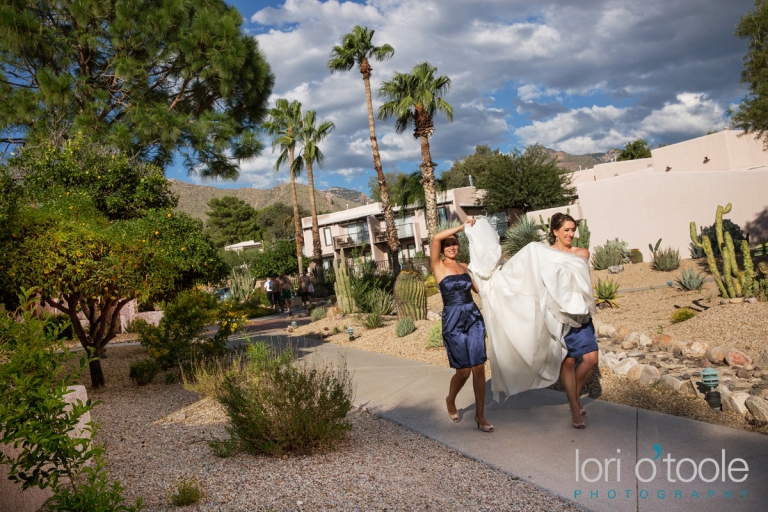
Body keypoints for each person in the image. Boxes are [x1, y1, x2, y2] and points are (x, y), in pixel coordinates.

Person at [431, 218, 494, 433]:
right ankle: (451, 399)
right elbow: (435, 237)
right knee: (464, 372)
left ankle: (480, 415)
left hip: (473, 317)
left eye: (454, 243)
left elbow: (479, 289)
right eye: (447, 244)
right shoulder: (437, 265)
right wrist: (463, 226)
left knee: (478, 367)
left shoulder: (465, 267)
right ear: (442, 248)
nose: (451, 247)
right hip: (453, 319)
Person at [549, 213, 598, 429]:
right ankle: (574, 409)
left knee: (591, 358)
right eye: (566, 230)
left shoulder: (582, 254)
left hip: (580, 314)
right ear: (555, 231)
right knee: (567, 361)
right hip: (558, 315)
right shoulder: (545, 255)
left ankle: (574, 397)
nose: (571, 234)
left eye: (572, 229)